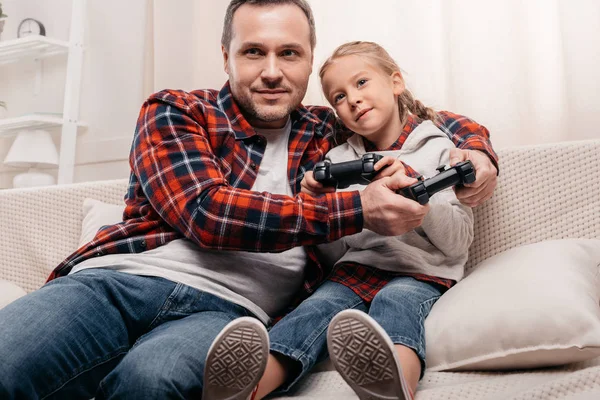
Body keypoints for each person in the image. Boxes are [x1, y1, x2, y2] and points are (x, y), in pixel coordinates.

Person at [0, 1, 498, 399]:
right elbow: (207, 213)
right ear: (226, 57)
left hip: (233, 312)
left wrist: (478, 152)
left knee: (152, 384)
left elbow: (412, 117)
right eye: (254, 52)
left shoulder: (331, 127)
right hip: (117, 283)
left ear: (309, 60)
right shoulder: (177, 110)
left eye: (289, 53)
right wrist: (357, 209)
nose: (272, 71)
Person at [248, 40, 476, 400]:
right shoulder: (338, 161)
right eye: (338, 97)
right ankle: (249, 386)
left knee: (397, 303)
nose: (351, 99)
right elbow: (334, 253)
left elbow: (458, 242)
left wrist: (420, 196)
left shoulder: (438, 148)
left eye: (361, 83)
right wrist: (319, 207)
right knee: (315, 310)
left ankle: (395, 387)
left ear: (395, 82)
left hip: (419, 272)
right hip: (353, 271)